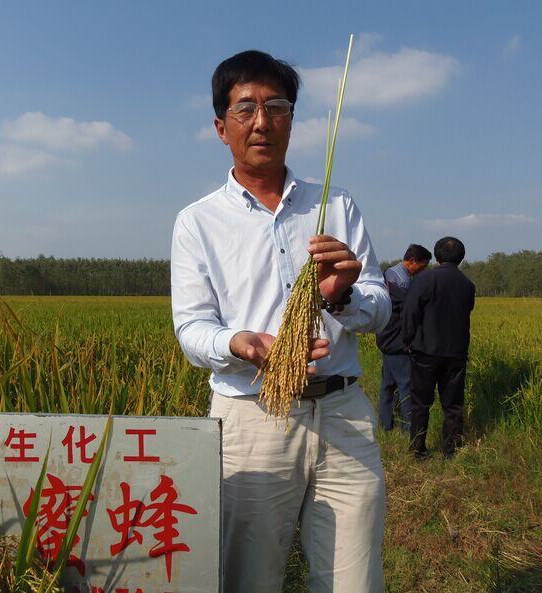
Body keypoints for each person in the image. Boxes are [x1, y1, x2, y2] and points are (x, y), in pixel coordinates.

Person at [171, 50, 390, 593]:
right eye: (245, 109)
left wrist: (341, 297)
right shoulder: (198, 222)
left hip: (342, 412)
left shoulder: (335, 205)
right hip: (251, 418)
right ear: (221, 127)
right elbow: (192, 329)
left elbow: (379, 306)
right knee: (248, 578)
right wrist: (243, 345)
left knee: (354, 580)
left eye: (277, 107)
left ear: (292, 120)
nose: (262, 122)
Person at [402, 236, 475, 458]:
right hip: (456, 353)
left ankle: (418, 449)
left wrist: (409, 341)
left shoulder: (424, 279)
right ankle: (451, 450)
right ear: (461, 257)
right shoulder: (467, 285)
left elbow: (410, 312)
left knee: (420, 402)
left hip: (425, 351)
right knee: (453, 405)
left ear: (436, 256)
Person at [375, 244, 431, 432]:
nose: (423, 270)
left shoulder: (389, 274)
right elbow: (410, 313)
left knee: (388, 385)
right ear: (412, 261)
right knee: (406, 386)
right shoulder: (403, 282)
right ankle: (408, 428)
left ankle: (385, 425)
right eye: (423, 266)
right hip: (397, 342)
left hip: (385, 339)